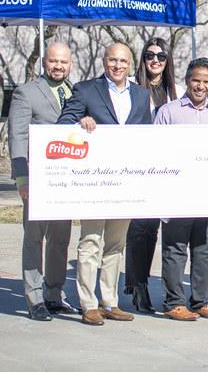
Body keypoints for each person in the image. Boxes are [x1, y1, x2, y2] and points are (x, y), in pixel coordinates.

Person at [57, 42, 153, 326]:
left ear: (131, 63)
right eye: (113, 60)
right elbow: (63, 124)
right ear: (104, 61)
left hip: (126, 181)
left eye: (123, 61)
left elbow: (147, 136)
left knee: (115, 244)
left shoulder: (141, 94)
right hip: (95, 180)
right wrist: (80, 123)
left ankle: (109, 300)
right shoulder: (86, 90)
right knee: (90, 242)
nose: (118, 66)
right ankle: (88, 303)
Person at [7, 42, 77, 321]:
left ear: (70, 64)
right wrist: (22, 179)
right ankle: (34, 297)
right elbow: (18, 138)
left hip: (66, 179)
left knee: (60, 239)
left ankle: (54, 294)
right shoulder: (27, 93)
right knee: (34, 239)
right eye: (53, 61)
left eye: (63, 62)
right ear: (44, 62)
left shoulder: (75, 92)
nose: (58, 66)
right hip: (37, 179)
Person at [154, 58, 208, 321]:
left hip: (207, 192)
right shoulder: (168, 112)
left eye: (207, 81)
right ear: (187, 80)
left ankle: (202, 301)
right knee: (174, 248)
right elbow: (155, 149)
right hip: (176, 192)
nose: (201, 86)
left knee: (204, 249)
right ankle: (174, 302)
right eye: (196, 80)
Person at [124, 37, 178, 314]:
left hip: (168, 167)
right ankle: (138, 285)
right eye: (149, 55)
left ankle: (152, 284)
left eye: (161, 56)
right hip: (138, 165)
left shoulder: (176, 92)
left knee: (159, 229)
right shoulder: (132, 90)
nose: (155, 60)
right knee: (141, 229)